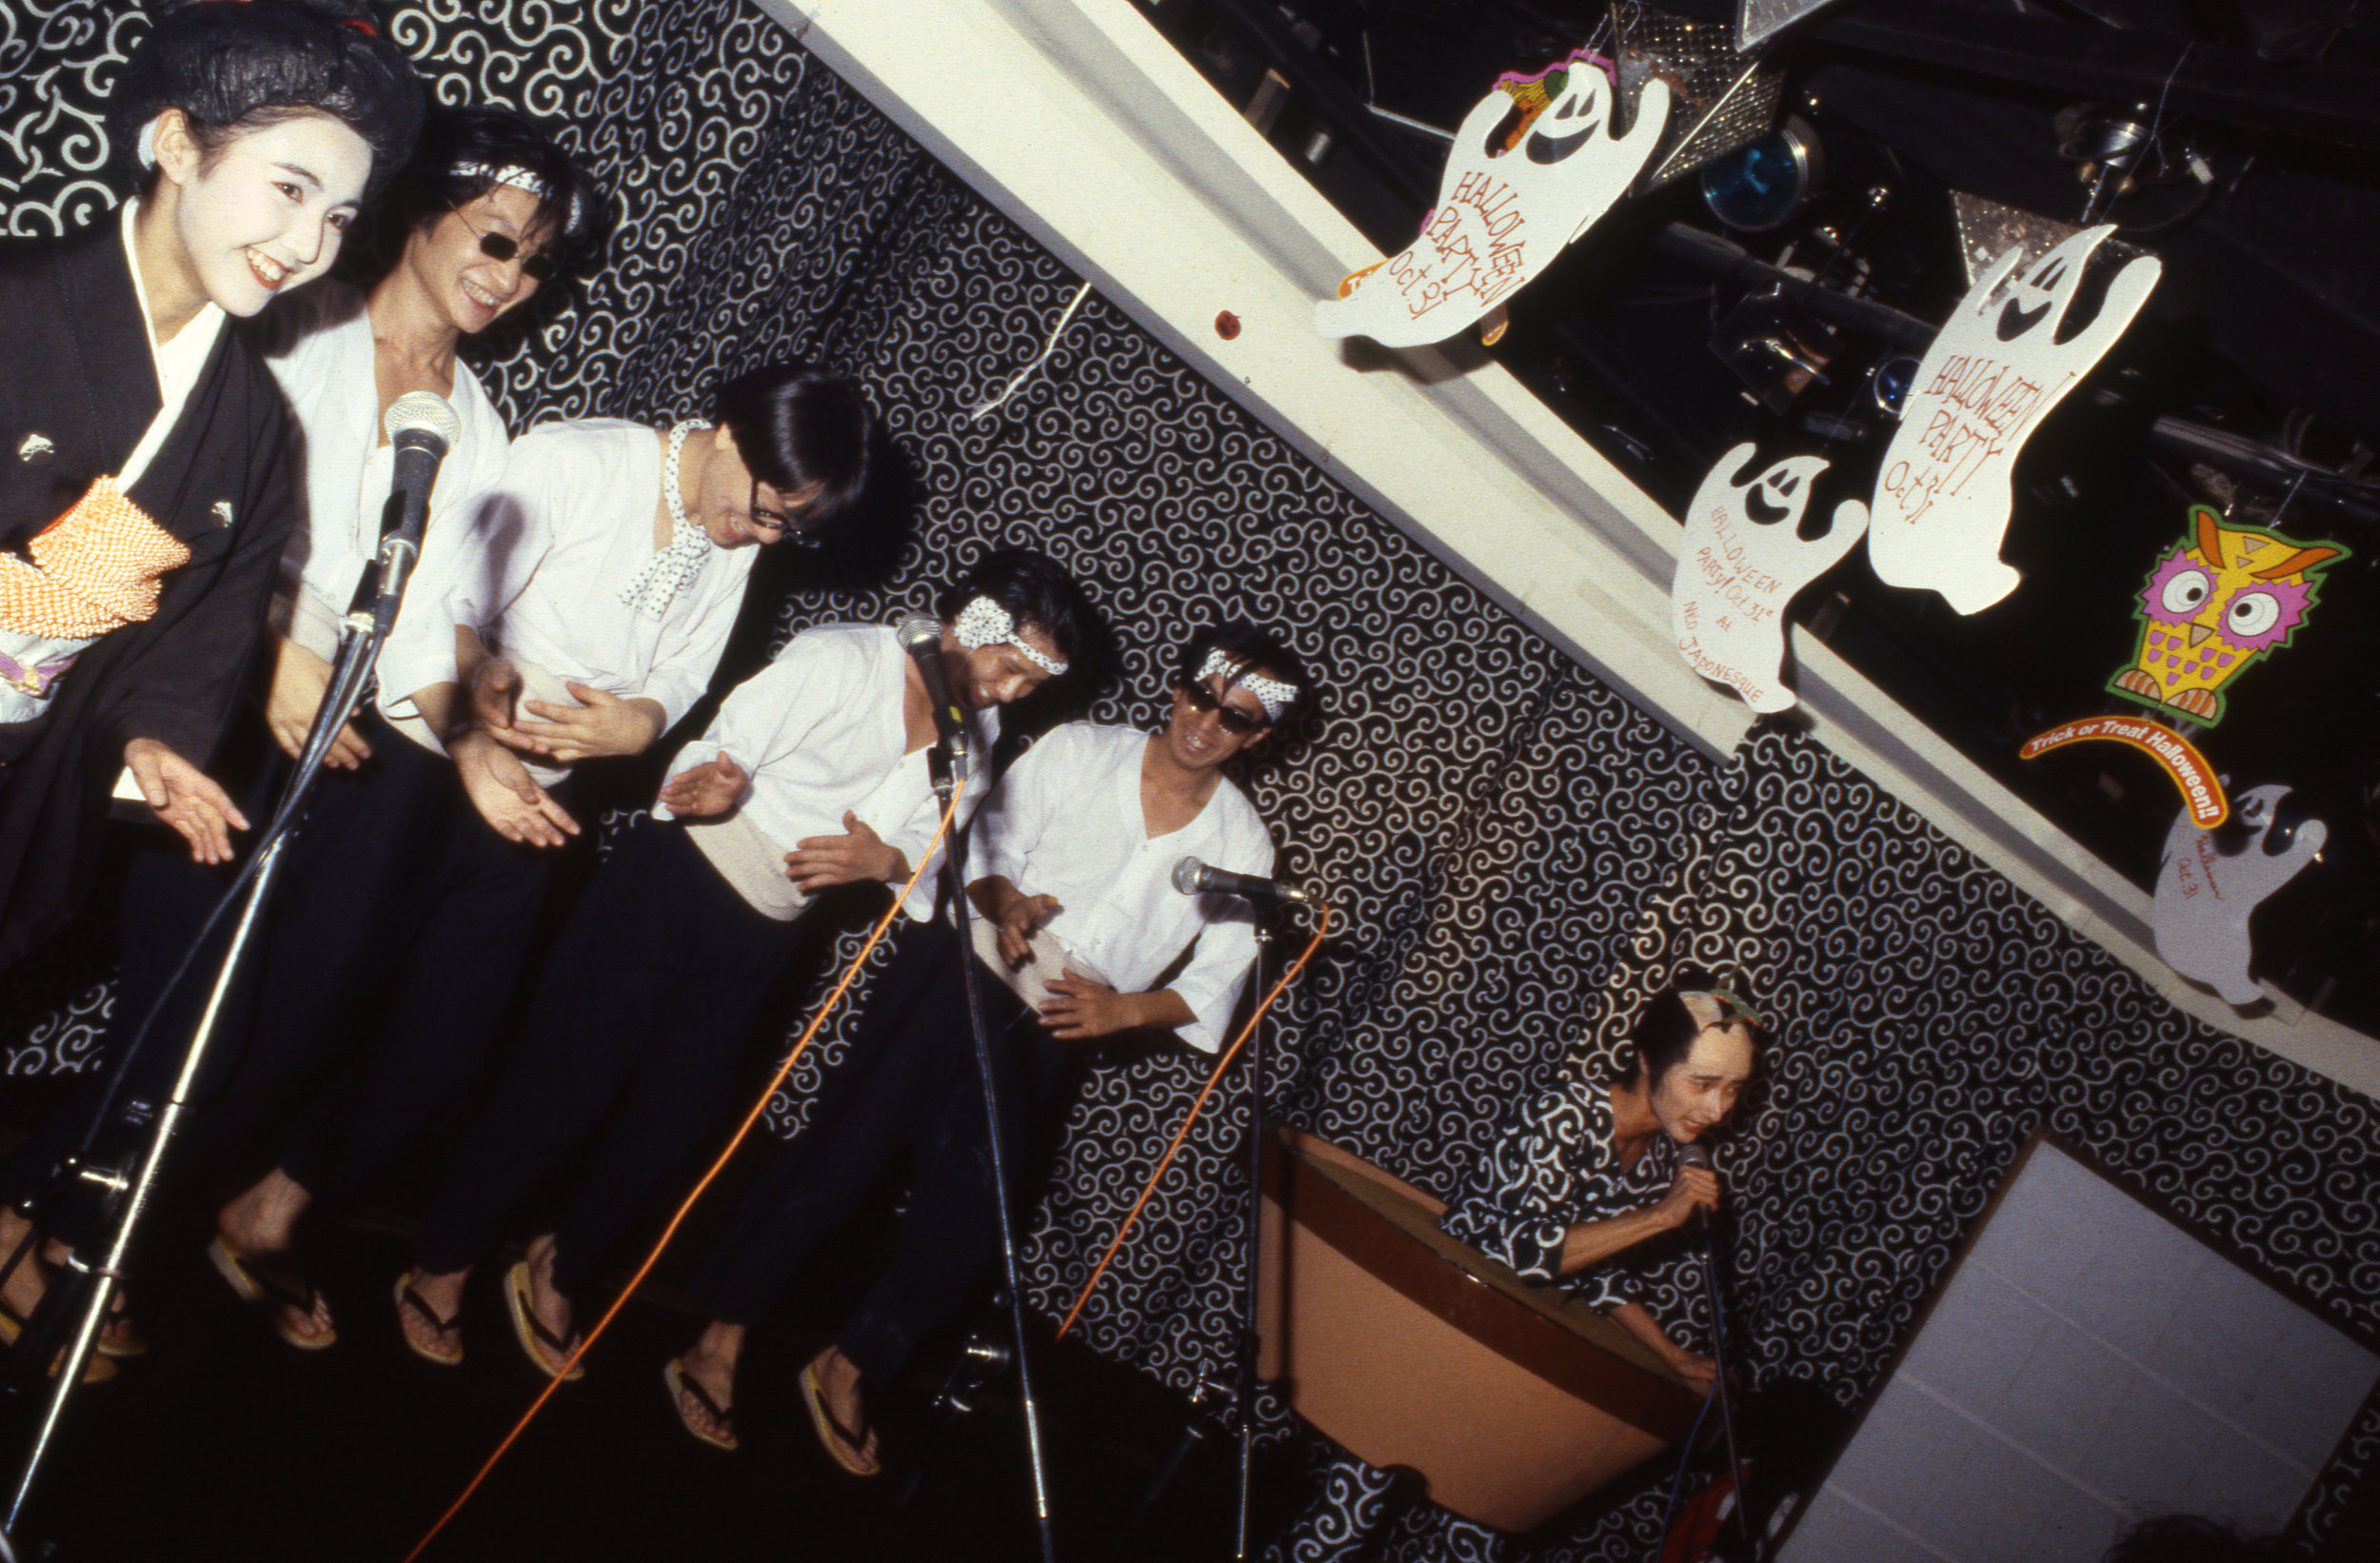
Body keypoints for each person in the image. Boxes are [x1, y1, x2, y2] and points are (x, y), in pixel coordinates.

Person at [198, 348, 872, 1351]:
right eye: (768, 507)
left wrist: (638, 726)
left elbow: (682, 677)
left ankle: (266, 1214)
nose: (765, 534)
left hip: (527, 803)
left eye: (791, 529)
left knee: (442, 1048)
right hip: (417, 757)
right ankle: (76, 1229)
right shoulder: (582, 461)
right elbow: (444, 603)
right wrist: (477, 718)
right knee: (290, 1011)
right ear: (728, 431)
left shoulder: (732, 545)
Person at [392, 548, 1095, 1375]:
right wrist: (711, 786)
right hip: (676, 885)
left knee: (670, 1128)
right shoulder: (845, 661)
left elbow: (936, 854)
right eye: (1009, 667)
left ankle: (560, 1261)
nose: (1012, 692)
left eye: (1031, 685)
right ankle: (444, 1258)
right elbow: (714, 749)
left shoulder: (974, 738)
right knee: (564, 1087)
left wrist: (887, 863)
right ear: (965, 621)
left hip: (767, 932)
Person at [0, 0, 419, 1373]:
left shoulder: (246, 416)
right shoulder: (14, 307)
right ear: (173, 141)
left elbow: (203, 629)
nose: (307, 245)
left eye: (341, 216)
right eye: (287, 186)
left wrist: (164, 743)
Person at [664, 622, 1309, 1469]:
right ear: (1179, 686)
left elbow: (1217, 978)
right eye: (1200, 695)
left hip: (1054, 1027)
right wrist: (1006, 903)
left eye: (1233, 718)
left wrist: (1125, 1011)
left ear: (1258, 737)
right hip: (958, 970)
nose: (1204, 721)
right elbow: (982, 850)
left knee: (966, 1222)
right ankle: (721, 1338)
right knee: (841, 1159)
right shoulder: (1082, 748)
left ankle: (847, 1366)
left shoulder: (1242, 843)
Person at [1438, 978, 1763, 1393]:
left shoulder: (1663, 1155)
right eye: (1702, 1084)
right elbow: (1526, 1253)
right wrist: (1661, 1215)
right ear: (1648, 1062)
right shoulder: (1561, 1117)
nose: (1717, 1111)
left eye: (1733, 1089)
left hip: (1514, 1327)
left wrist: (1673, 1355)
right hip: (1445, 1297)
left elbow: (1598, 1269)